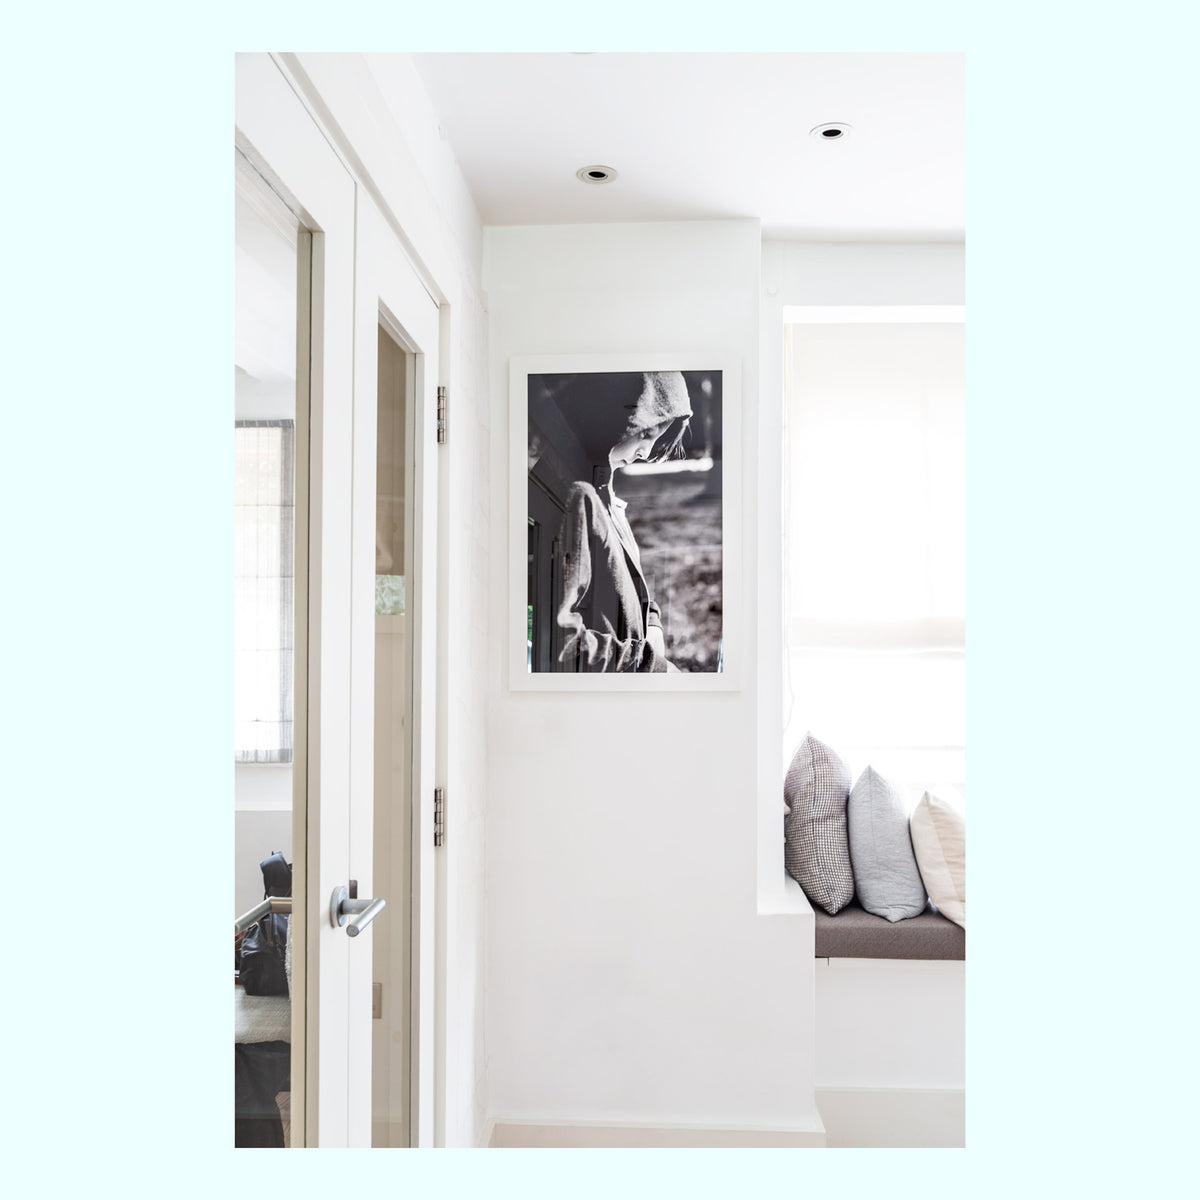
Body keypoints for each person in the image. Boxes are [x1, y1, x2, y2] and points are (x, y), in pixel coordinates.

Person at [556, 371, 692, 672]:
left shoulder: (606, 497)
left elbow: (627, 583)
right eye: (645, 433)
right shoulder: (580, 496)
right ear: (614, 418)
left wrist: (652, 621)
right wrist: (653, 668)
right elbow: (562, 643)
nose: (646, 452)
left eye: (656, 437)